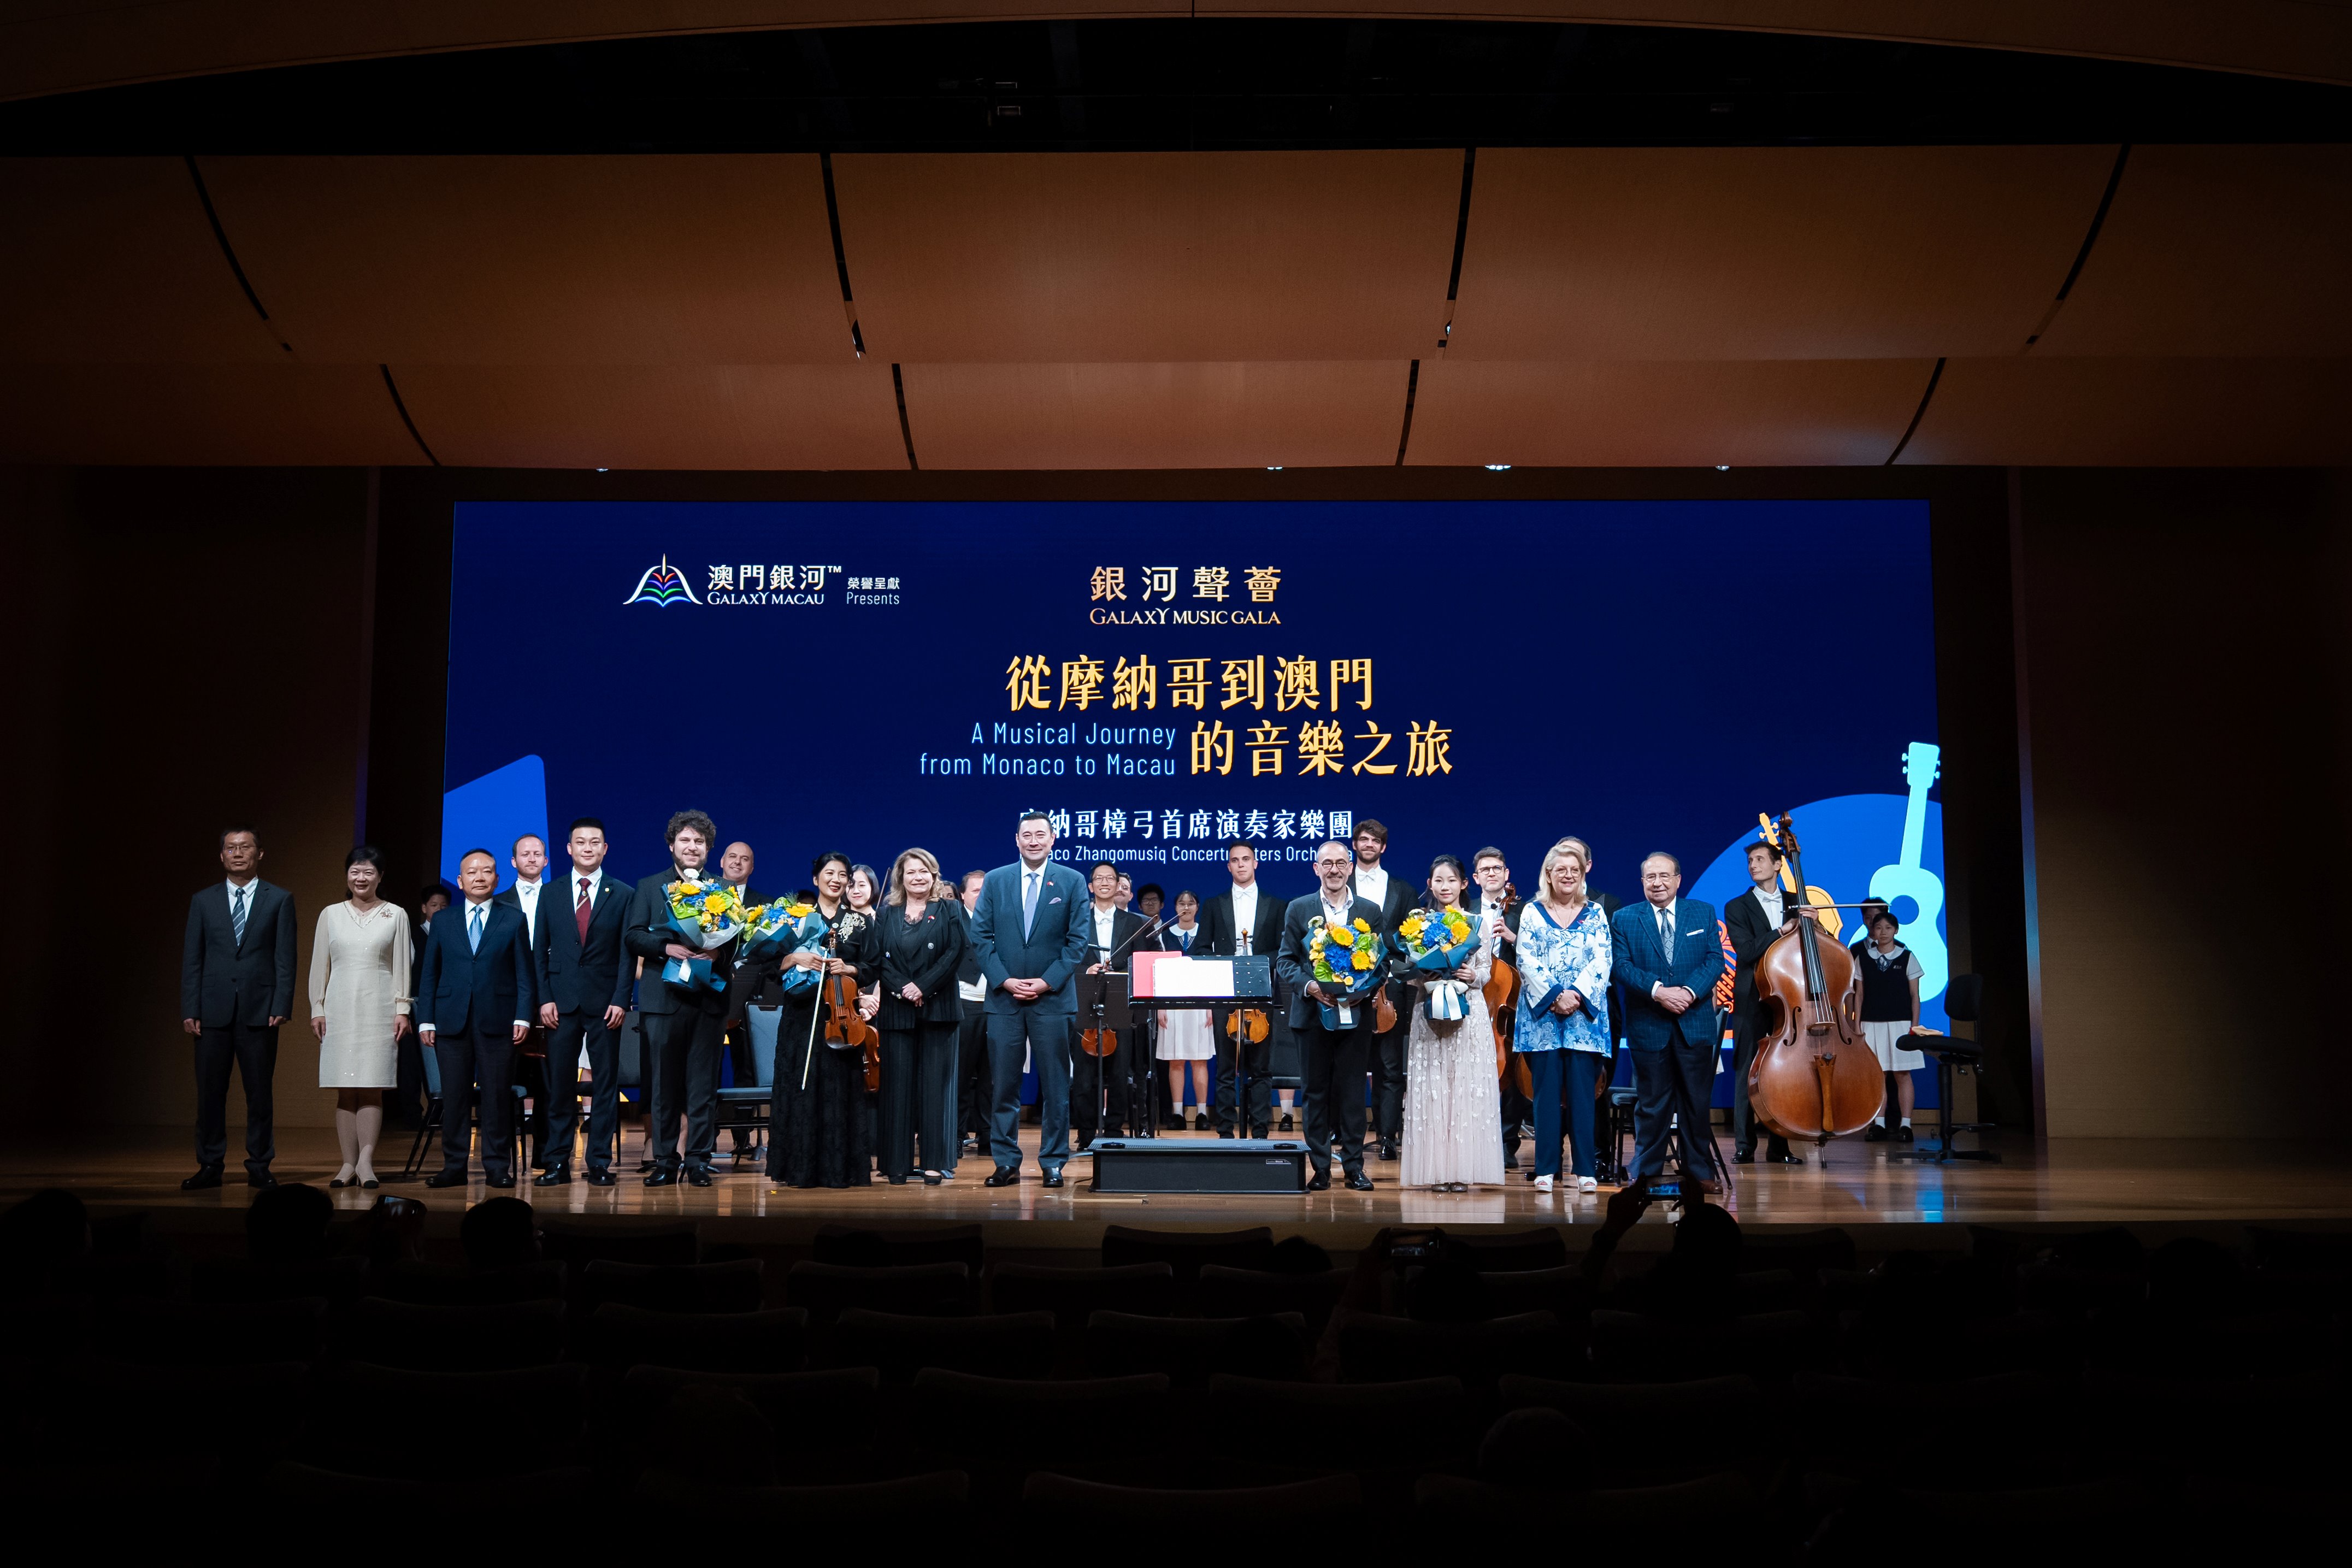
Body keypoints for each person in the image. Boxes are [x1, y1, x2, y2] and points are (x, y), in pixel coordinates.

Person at [971, 811, 1091, 1189]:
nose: (1034, 840)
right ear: (1017, 840)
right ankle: (1005, 1162)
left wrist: (1045, 982)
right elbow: (981, 937)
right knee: (1003, 1085)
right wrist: (1005, 980)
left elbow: (1077, 943)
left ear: (1053, 839)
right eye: (1027, 835)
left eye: (1041, 834)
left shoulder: (1071, 881)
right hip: (1004, 999)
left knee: (1056, 1086)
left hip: (1052, 999)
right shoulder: (996, 880)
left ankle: (1053, 1162)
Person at [622, 811, 738, 1188]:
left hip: (708, 1001)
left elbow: (737, 940)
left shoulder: (724, 888)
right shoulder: (649, 886)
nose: (692, 847)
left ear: (709, 849)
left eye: (699, 842)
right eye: (685, 841)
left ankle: (700, 1160)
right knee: (663, 1086)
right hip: (662, 1000)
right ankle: (665, 1161)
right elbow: (634, 936)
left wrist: (720, 953)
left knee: (703, 1086)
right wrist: (666, 947)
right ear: (671, 844)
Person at [180, 825, 298, 1190]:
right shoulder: (203, 900)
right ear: (221, 855)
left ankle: (259, 1163)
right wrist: (190, 1007)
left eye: (245, 847)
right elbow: (192, 960)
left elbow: (285, 959)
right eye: (231, 848)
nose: (238, 853)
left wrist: (281, 1003)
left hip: (260, 1009)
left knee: (259, 1093)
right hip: (211, 1010)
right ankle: (210, 1164)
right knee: (210, 1093)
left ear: (259, 853)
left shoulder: (279, 899)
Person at [417, 848, 532, 1189]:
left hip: (499, 1021)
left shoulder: (513, 918)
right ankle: (454, 1166)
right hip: (450, 1021)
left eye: (487, 871)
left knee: (497, 1097)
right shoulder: (443, 920)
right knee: (454, 1097)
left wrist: (523, 1017)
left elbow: (524, 974)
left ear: (497, 879)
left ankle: (497, 1167)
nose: (479, 877)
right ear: (460, 880)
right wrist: (426, 1020)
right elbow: (429, 974)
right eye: (472, 872)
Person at [1611, 853, 1725, 1187]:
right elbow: (1622, 966)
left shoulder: (1702, 912)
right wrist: (1659, 991)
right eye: (1650, 877)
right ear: (1642, 882)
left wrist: (1688, 992)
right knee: (1652, 1105)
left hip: (1695, 1022)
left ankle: (1699, 1172)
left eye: (1664, 876)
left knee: (1696, 1103)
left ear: (1678, 880)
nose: (1657, 883)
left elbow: (1715, 960)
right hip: (1650, 1024)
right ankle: (1646, 1172)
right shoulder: (1625, 918)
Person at [1277, 841, 1384, 1192]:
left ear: (1351, 868)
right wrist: (1310, 987)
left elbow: (1382, 965)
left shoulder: (1369, 910)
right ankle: (1320, 1168)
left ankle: (1354, 1168)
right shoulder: (1299, 908)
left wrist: (1362, 991)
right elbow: (1285, 962)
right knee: (1316, 1093)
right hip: (1311, 1017)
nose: (1334, 870)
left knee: (1353, 1094)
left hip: (1356, 1017)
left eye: (1341, 863)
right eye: (1327, 864)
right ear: (1316, 868)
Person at [532, 817, 633, 1186]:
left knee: (605, 1088)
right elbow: (538, 953)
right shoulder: (551, 892)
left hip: (606, 1004)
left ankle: (599, 1163)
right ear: (568, 849)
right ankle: (557, 1162)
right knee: (560, 1087)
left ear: (605, 849)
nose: (587, 848)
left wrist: (622, 999)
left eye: (595, 842)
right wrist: (544, 999)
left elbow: (627, 954)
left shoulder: (622, 894)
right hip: (560, 1004)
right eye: (580, 842)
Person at [306, 844, 412, 1190]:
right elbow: (320, 964)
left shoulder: (396, 914)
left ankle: (366, 1163)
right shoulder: (330, 914)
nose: (361, 877)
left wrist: (402, 1008)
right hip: (339, 1008)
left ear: (380, 877)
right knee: (345, 1088)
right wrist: (317, 1007)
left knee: (371, 1087)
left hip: (379, 1008)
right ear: (347, 876)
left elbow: (402, 966)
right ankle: (347, 1163)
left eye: (369, 872)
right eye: (355, 871)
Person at [771, 852, 880, 1189]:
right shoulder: (795, 917)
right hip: (802, 1017)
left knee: (840, 1091)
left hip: (842, 1018)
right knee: (802, 1089)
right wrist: (795, 957)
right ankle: (800, 1169)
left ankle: (840, 1170)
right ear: (816, 878)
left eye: (843, 875)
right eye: (829, 873)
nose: (836, 880)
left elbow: (873, 967)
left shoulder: (861, 922)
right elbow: (770, 966)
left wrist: (849, 969)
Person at [1513, 841, 1615, 1194]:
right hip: (1541, 1019)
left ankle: (1585, 1170)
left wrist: (1575, 997)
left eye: (1575, 870)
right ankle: (1545, 1169)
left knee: (1583, 1096)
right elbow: (1525, 959)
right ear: (1549, 875)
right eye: (1561, 870)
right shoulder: (1531, 911)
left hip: (1583, 1020)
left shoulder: (1596, 913)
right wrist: (1555, 995)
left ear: (1583, 873)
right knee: (1544, 1097)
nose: (1568, 875)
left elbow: (1602, 960)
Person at [1399, 856, 1505, 1192]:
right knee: (1433, 1087)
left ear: (1464, 884)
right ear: (1430, 885)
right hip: (1429, 1012)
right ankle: (1436, 1172)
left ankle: (1461, 1171)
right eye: (1438, 881)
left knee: (1464, 1088)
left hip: (1468, 1015)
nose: (1445, 887)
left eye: (1451, 880)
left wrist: (1472, 976)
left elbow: (1487, 971)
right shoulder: (1417, 924)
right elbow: (1407, 974)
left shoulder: (1478, 923)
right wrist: (1424, 976)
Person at [874, 847, 970, 1184]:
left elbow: (956, 952)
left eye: (924, 871)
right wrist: (903, 989)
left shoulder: (950, 909)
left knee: (936, 1090)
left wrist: (923, 987)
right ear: (901, 877)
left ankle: (935, 1162)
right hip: (897, 1010)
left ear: (934, 875)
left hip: (939, 1009)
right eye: (911, 872)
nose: (918, 877)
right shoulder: (886, 914)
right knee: (896, 1090)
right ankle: (895, 1164)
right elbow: (878, 960)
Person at [1199, 841, 1287, 1138]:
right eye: (1235, 860)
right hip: (1225, 992)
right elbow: (1200, 949)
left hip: (1261, 994)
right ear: (1228, 866)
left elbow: (1283, 950)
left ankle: (1260, 1131)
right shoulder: (1213, 904)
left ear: (1256, 863)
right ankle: (1225, 1132)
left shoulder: (1276, 905)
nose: (1240, 865)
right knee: (1226, 1068)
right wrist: (1227, 964)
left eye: (1246, 859)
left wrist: (1258, 964)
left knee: (1261, 1068)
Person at [1723, 840, 1802, 1166]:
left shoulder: (1798, 902)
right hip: (1752, 997)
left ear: (1778, 865)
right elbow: (1745, 951)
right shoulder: (1736, 906)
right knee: (1747, 1071)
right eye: (1750, 861)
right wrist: (1781, 931)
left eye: (1760, 860)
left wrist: (1812, 925)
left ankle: (1780, 1146)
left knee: (1784, 1074)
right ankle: (1745, 1144)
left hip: (1790, 999)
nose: (1753, 865)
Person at [1074, 860, 1153, 1148]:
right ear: (1090, 886)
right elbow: (1064, 958)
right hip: (1085, 1004)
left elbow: (1143, 966)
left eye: (1111, 878)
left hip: (1122, 1007)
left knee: (1121, 1073)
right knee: (1083, 1076)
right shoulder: (1076, 920)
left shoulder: (1135, 924)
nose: (1105, 883)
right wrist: (1085, 970)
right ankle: (1084, 1134)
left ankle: (1114, 1131)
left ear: (1120, 885)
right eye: (1099, 879)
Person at [1351, 820, 1413, 1162]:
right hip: (1348, 987)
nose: (1369, 845)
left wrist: (1378, 944)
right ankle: (1348, 1133)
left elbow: (1407, 937)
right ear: (1355, 845)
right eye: (1364, 840)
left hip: (1389, 989)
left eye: (1375, 841)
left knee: (1390, 1067)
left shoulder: (1402, 889)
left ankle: (1388, 1136)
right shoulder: (1341, 883)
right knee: (1351, 1064)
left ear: (1383, 847)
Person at [494, 834, 551, 1172]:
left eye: (538, 854)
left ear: (546, 860)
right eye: (524, 854)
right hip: (508, 1004)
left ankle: (546, 1154)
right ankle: (501, 1159)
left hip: (549, 1002)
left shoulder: (561, 896)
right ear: (513, 862)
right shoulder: (498, 902)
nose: (531, 858)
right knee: (503, 1079)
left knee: (550, 1082)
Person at [1467, 847, 1528, 1165]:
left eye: (1498, 868)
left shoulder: (1526, 910)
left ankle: (1507, 1141)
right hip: (1472, 999)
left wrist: (1513, 937)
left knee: (1510, 1072)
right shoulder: (1464, 912)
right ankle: (1474, 1137)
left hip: (1508, 1004)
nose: (1492, 873)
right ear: (1475, 878)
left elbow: (1536, 953)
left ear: (1507, 875)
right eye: (1486, 869)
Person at [716, 840, 771, 1165]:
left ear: (752, 867)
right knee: (704, 1070)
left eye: (745, 859)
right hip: (708, 994)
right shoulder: (699, 898)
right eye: (732, 857)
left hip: (750, 999)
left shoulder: (764, 904)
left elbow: (769, 953)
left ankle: (743, 1137)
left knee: (746, 1067)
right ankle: (703, 1139)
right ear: (721, 862)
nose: (738, 863)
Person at [1852, 907, 1926, 1142]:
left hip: (1901, 1024)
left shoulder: (1907, 956)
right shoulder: (1862, 958)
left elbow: (1915, 996)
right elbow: (1859, 995)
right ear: (1872, 930)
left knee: (1903, 1074)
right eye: (1878, 927)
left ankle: (1906, 1125)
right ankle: (1879, 1124)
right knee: (1878, 1075)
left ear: (1896, 930)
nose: (1883, 932)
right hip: (1871, 1024)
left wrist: (1914, 1027)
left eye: (1888, 928)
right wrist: (1856, 1024)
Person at [1154, 891, 1215, 1130]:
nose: (1186, 907)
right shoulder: (1165, 934)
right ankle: (1177, 1113)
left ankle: (1202, 1114)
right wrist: (1160, 1006)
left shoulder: (1206, 933)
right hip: (1172, 1003)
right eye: (1182, 903)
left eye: (1191, 903)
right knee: (1176, 1061)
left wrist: (1212, 1005)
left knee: (1200, 1060)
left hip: (1201, 1002)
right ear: (1175, 907)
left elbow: (1213, 971)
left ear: (1197, 907)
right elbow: (1157, 970)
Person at [394, 885, 448, 1128]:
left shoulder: (452, 934)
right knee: (412, 1065)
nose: (438, 910)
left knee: (441, 1062)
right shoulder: (413, 935)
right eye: (434, 906)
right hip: (415, 1006)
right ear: (424, 908)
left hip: (444, 1008)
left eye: (443, 906)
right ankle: (412, 1116)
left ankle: (440, 1114)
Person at [952, 869, 991, 1156]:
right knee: (961, 1075)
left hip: (996, 1004)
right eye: (976, 890)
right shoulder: (953, 919)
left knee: (993, 1077)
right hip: (963, 1003)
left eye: (985, 890)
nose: (981, 894)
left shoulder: (1002, 920)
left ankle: (990, 1138)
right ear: (963, 894)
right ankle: (954, 1135)